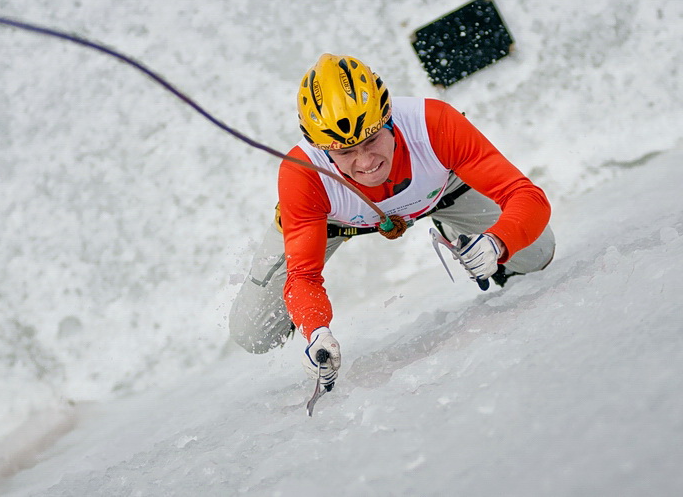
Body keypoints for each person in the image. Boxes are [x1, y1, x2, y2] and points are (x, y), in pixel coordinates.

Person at [229, 53, 555, 389]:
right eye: (345, 152)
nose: (366, 162)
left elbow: (527, 195)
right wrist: (316, 333)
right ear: (322, 149)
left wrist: (497, 242)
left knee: (538, 251)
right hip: (332, 220)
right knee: (253, 333)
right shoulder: (303, 174)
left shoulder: (434, 123)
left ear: (389, 120)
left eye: (372, 140)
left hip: (441, 190)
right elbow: (304, 276)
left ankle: (462, 232)